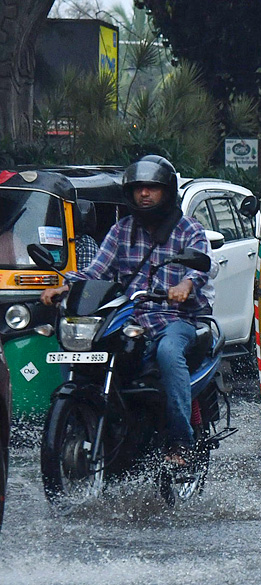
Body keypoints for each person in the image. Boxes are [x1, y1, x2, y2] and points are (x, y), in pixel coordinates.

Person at [40, 155, 213, 465]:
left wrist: (185, 285)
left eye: (151, 188)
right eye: (138, 189)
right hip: (130, 318)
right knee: (81, 348)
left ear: (167, 191)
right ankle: (83, 421)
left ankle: (180, 441)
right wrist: (64, 287)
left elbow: (201, 266)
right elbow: (96, 271)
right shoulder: (122, 230)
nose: (143, 194)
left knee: (168, 352)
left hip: (177, 319)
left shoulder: (189, 230)